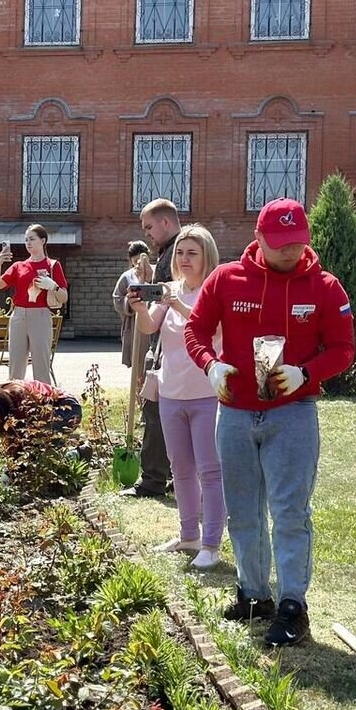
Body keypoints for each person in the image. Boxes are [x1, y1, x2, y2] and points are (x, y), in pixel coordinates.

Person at [185, 198, 354, 646]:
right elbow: (196, 330)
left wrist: (307, 373)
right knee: (242, 508)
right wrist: (210, 365)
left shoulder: (324, 286)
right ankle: (254, 593)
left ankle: (293, 604)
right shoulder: (226, 279)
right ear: (258, 239)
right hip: (236, 412)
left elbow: (343, 348)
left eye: (297, 243)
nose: (289, 253)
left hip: (292, 415)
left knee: (289, 511)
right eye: (280, 244)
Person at [129, 225, 224, 570]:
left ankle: (212, 544)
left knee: (210, 472)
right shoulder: (169, 289)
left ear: (206, 257)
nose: (184, 259)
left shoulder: (215, 291)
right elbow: (149, 327)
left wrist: (179, 305)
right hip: (170, 392)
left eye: (192, 253)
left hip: (206, 395)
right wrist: (140, 307)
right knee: (180, 469)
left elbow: (212, 329)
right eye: (181, 253)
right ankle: (188, 535)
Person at [122, 198, 181, 499]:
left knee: (156, 412)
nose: (146, 233)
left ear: (165, 222)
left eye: (148, 226)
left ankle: (153, 480)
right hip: (169, 346)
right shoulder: (172, 253)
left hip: (169, 348)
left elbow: (170, 299)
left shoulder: (178, 253)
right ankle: (169, 475)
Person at [0, 224, 68, 382]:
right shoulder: (19, 266)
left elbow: (64, 297)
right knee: (16, 365)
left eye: (32, 239)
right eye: (26, 240)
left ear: (43, 241)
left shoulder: (53, 265)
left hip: (40, 314)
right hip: (18, 315)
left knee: (41, 365)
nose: (28, 243)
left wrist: (52, 286)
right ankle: (15, 401)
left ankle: (43, 402)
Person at [0, 379, 82, 458]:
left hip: (68, 409)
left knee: (39, 450)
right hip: (51, 413)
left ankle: (78, 453)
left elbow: (23, 440)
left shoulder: (20, 400)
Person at [113, 241, 153, 368]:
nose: (138, 264)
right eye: (135, 261)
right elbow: (117, 298)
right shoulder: (126, 277)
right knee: (137, 360)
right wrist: (130, 304)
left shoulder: (155, 272)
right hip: (134, 323)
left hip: (153, 320)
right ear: (131, 260)